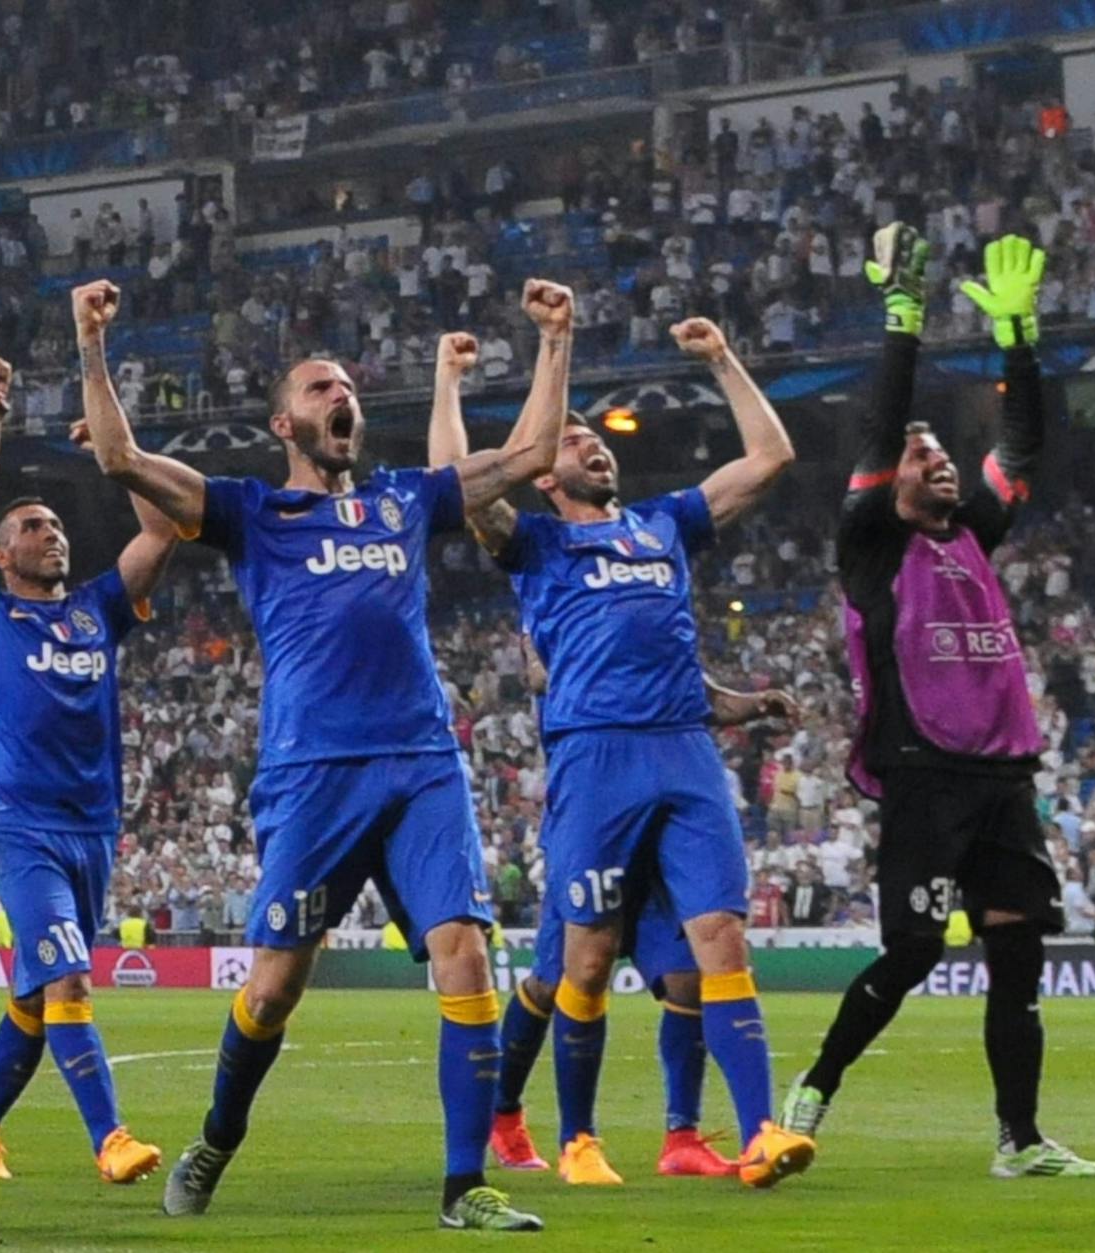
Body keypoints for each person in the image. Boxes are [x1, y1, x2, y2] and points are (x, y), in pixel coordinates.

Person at [73, 274, 575, 1233]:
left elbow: (532, 453)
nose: (341, 396)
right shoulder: (251, 513)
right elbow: (119, 455)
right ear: (283, 424)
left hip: (423, 760)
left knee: (465, 957)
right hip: (313, 776)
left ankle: (463, 1184)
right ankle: (218, 1135)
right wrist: (92, 343)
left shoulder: (403, 501)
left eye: (346, 386)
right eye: (318, 388)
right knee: (273, 988)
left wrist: (556, 339)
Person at [449, 315, 811, 1188]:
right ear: (543, 474)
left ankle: (759, 1128)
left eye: (597, 440)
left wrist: (724, 356)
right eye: (571, 441)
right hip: (596, 760)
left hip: (684, 753)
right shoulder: (536, 544)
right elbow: (455, 485)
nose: (592, 447)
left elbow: (769, 459)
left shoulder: (663, 526)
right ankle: (576, 1137)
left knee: (718, 939)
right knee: (583, 957)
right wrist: (457, 385)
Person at [779, 226, 1095, 1179]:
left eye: (945, 456)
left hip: (1003, 775)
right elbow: (882, 430)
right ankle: (818, 1085)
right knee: (917, 950)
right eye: (927, 458)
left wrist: (1017, 336)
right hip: (925, 774)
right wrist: (903, 321)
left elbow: (1023, 440)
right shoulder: (870, 544)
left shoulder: (977, 530)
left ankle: (1021, 1139)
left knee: (1018, 956)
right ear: (893, 481)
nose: (943, 464)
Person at [0, 387, 178, 1183]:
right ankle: (111, 1137)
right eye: (33, 526)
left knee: (35, 1000)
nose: (52, 533)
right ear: (1, 553)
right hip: (19, 823)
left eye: (58, 524)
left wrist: (122, 461)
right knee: (68, 974)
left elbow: (163, 527)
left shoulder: (103, 605)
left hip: (93, 826)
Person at [488, 635, 800, 1181]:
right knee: (557, 979)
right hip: (593, 804)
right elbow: (541, 676)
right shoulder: (558, 598)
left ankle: (682, 1137)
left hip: (659, 824)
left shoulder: (647, 599)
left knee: (686, 982)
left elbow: (692, 691)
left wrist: (750, 706)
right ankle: (510, 1116)